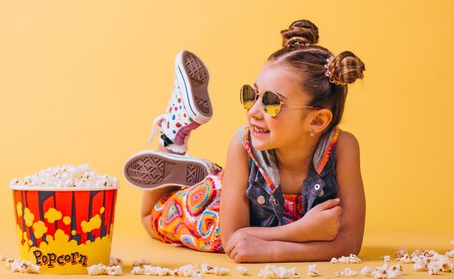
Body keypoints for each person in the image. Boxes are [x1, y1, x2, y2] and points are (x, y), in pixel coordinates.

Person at [123, 20, 366, 263]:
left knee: (224, 190)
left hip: (240, 198)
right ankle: (172, 134)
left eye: (272, 103)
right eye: (252, 95)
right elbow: (233, 240)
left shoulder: (343, 148)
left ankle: (191, 154)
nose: (253, 111)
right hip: (216, 208)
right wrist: (302, 231)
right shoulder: (242, 145)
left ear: (317, 121)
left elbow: (350, 243)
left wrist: (268, 247)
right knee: (150, 218)